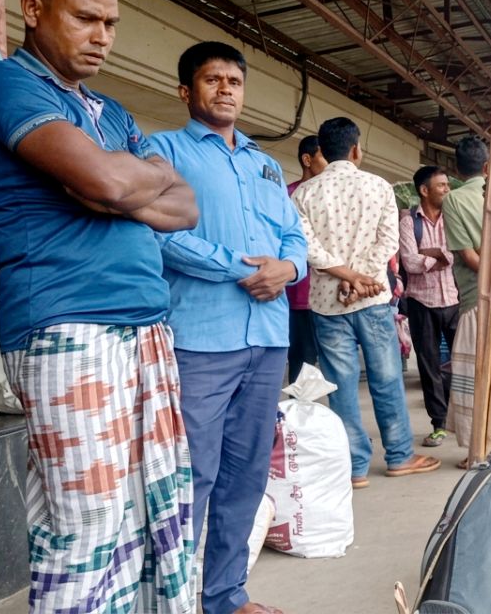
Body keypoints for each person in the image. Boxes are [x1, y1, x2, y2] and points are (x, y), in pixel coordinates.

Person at [0, 0, 198, 613]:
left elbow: (185, 205)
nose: (101, 36)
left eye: (111, 23)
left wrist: (115, 186)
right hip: (68, 327)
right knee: (87, 525)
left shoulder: (109, 109)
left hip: (146, 323)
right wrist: (113, 182)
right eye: (84, 17)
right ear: (33, 11)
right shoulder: (3, 85)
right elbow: (105, 182)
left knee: (160, 513)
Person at [149, 42, 306, 614]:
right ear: (186, 91)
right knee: (191, 474)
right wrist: (237, 268)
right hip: (200, 338)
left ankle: (224, 595)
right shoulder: (160, 150)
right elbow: (159, 232)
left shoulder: (265, 163)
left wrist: (289, 268)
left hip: (267, 338)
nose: (226, 90)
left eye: (234, 81)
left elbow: (295, 236)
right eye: (212, 80)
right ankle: (170, 600)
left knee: (244, 476)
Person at [291, 117, 441, 486]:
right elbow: (388, 241)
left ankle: (355, 466)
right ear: (356, 149)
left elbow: (308, 247)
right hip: (372, 299)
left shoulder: (303, 194)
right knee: (387, 378)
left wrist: (345, 277)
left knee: (340, 385)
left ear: (321, 152)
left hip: (327, 303)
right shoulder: (377, 186)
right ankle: (399, 455)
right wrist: (362, 280)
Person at [400, 165, 459, 447]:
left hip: (454, 300)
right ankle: (439, 423)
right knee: (429, 366)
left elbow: (458, 255)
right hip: (422, 303)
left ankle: (463, 418)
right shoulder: (409, 222)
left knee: (464, 363)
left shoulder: (453, 217)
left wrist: (431, 254)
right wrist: (441, 257)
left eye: (447, 185)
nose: (447, 190)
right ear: (424, 191)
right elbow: (409, 262)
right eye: (441, 186)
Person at [441, 135, 488, 466]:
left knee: (472, 376)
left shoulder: (454, 200)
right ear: (487, 166)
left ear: (457, 169)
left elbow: (468, 256)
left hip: (475, 299)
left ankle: (477, 452)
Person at [286, 135, 328, 382]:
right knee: (301, 363)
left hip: (333, 295)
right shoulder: (287, 195)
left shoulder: (333, 198)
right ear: (307, 160)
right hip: (300, 297)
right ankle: (300, 416)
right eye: (325, 156)